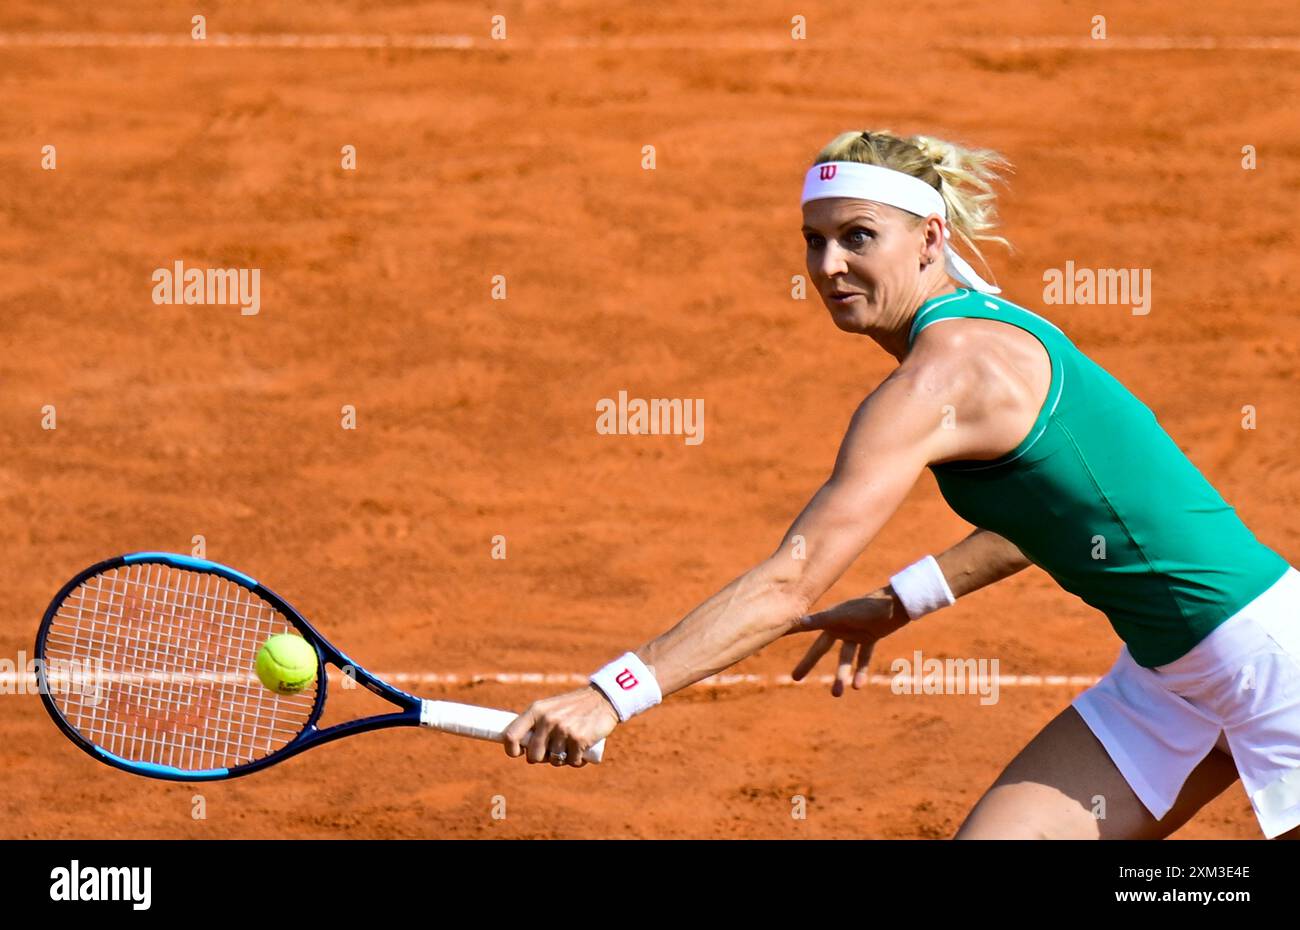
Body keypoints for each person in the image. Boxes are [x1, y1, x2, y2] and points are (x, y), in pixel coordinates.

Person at [502, 129, 1300, 840]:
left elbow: (787, 583)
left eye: (858, 237)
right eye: (813, 241)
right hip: (1169, 679)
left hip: (1272, 666)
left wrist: (613, 695)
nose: (829, 266)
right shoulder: (985, 328)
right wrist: (900, 602)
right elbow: (1049, 520)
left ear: (929, 238)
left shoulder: (939, 376)